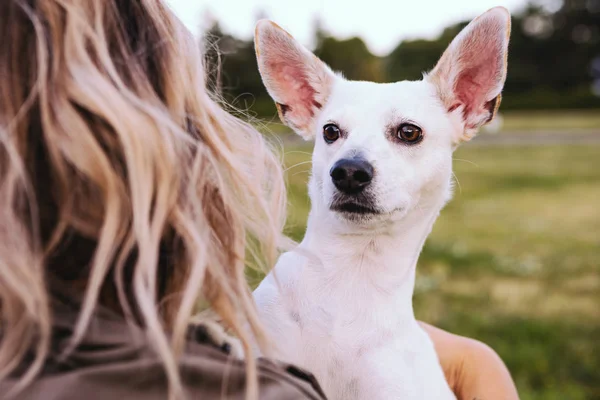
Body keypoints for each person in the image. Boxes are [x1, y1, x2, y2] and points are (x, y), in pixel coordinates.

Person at [0, 0, 518, 399]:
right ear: (303, 110)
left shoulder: (418, 359)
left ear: (468, 107)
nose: (350, 164)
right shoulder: (257, 324)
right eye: (333, 133)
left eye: (406, 134)